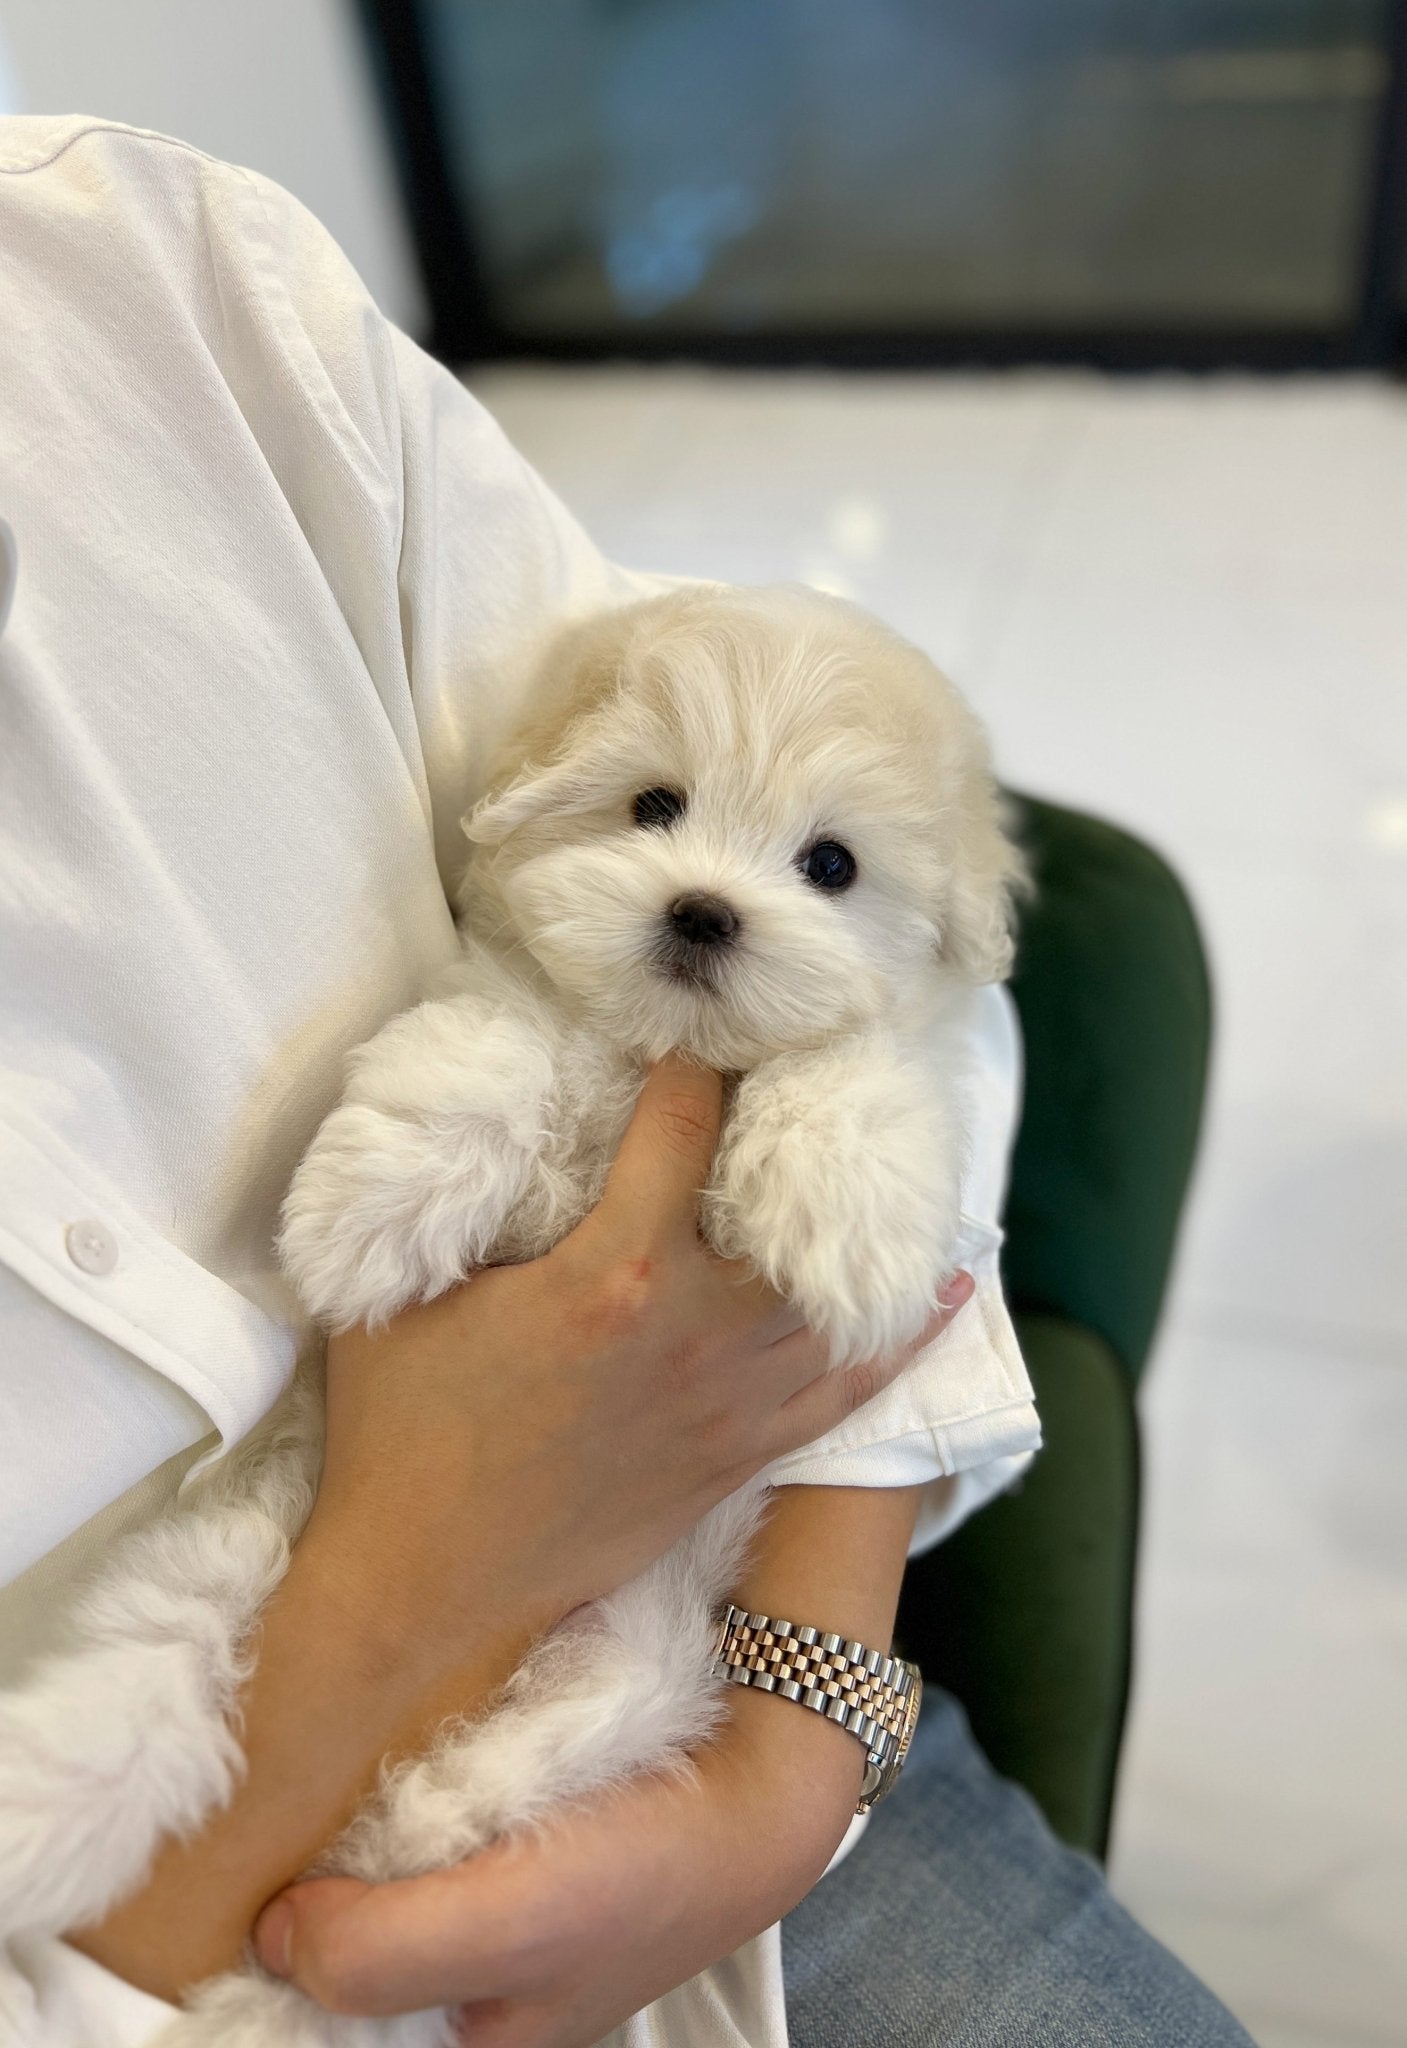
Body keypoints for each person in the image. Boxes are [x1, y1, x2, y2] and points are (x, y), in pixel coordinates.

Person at [0, 116, 1253, 2048]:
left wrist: (782, 1770)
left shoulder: (149, 274)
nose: (712, 893)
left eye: (808, 866)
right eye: (659, 817)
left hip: (723, 1743)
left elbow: (909, 1006)